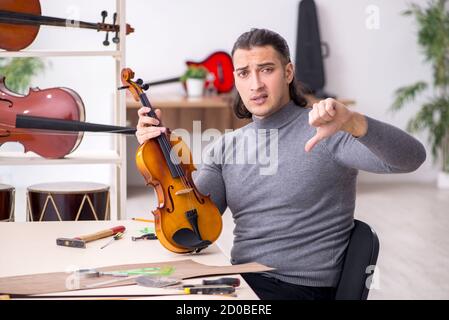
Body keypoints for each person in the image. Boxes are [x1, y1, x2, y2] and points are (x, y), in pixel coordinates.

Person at [135, 28, 426, 300]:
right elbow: (191, 228)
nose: (256, 84)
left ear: (288, 72)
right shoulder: (225, 147)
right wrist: (159, 150)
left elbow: (411, 159)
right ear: (236, 80)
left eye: (266, 69)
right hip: (242, 284)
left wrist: (354, 122)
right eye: (244, 73)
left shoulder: (327, 130)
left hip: (299, 289)